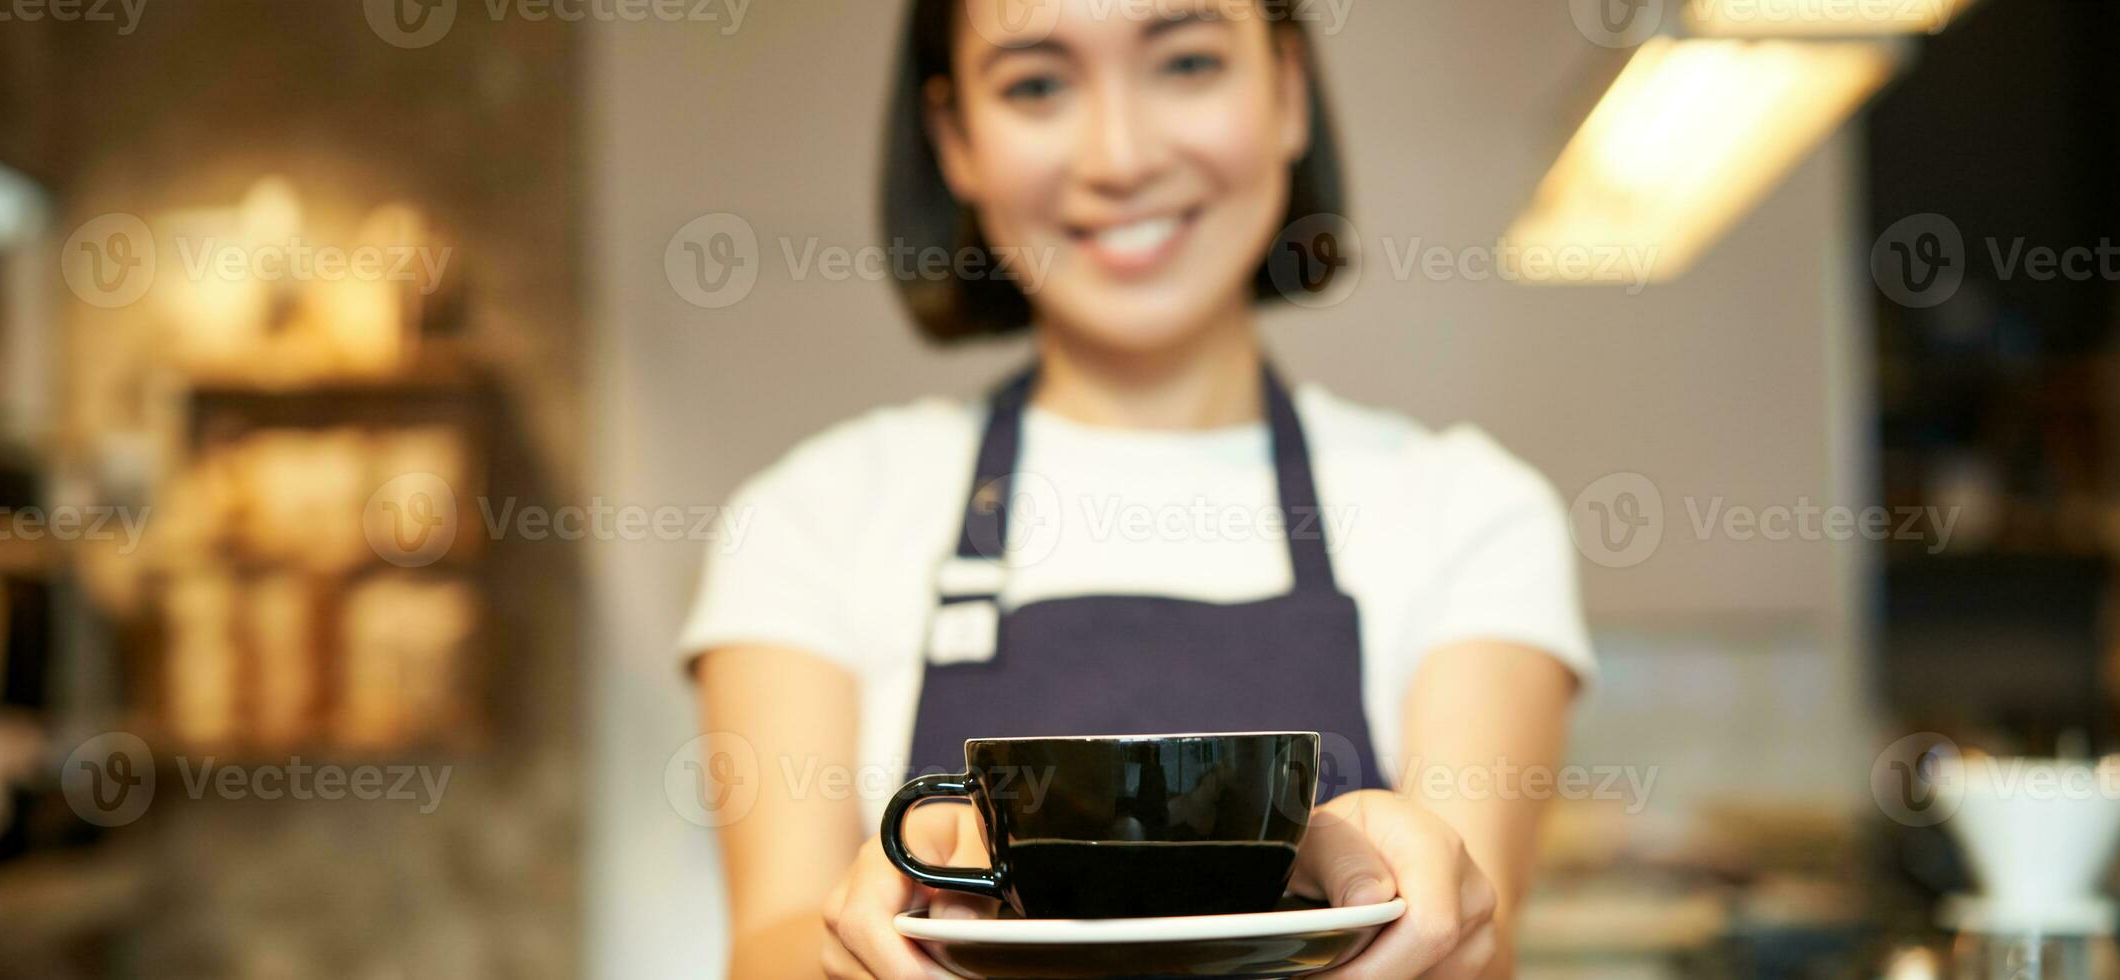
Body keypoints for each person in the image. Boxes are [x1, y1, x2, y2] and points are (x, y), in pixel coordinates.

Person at [680, 2, 1592, 976]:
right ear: (955, 141)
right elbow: (769, 941)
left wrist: (1389, 877)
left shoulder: (1469, 509)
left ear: (1285, 89)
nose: (1118, 155)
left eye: (1186, 63)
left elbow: (1472, 940)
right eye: (1035, 83)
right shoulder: (810, 517)